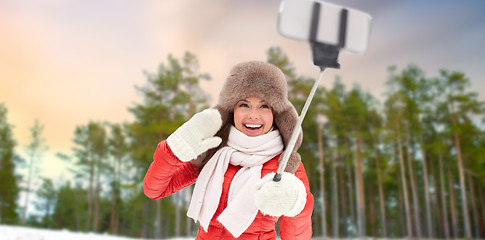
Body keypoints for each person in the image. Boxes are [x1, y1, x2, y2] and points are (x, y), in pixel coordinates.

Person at [143, 61, 314, 239]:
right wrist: (175, 149)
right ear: (231, 110)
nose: (253, 115)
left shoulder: (286, 165)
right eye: (244, 105)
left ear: (276, 114)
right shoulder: (214, 152)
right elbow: (154, 190)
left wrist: (296, 204)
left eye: (264, 106)